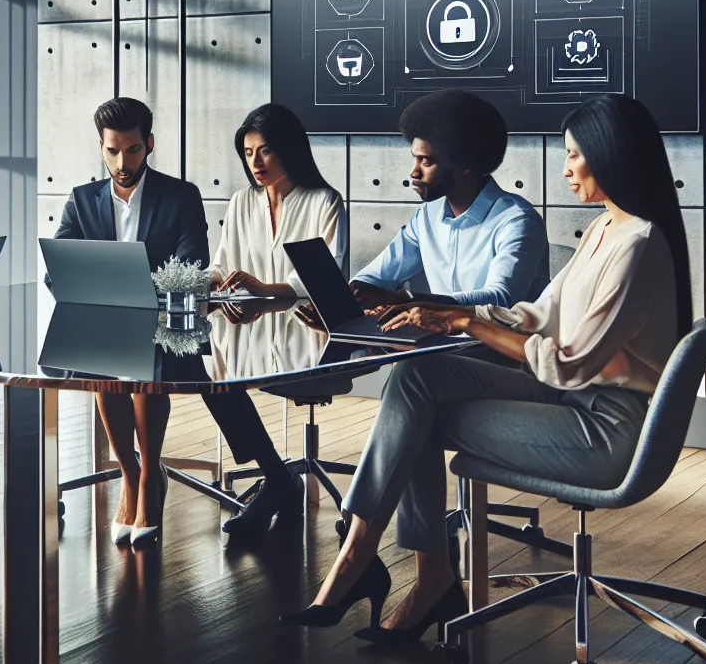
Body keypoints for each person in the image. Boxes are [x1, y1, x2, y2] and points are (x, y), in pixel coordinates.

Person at [283, 95, 692, 644]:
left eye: (574, 156)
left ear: (611, 157)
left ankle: (379, 563)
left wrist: (464, 324)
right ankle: (393, 564)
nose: (565, 168)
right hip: (571, 401)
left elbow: (566, 363)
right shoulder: (604, 231)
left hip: (601, 428)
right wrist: (458, 313)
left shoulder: (636, 244)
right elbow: (537, 313)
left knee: (416, 408)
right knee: (414, 380)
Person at [53, 96, 273, 545]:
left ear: (148, 144)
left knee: (145, 359)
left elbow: (193, 264)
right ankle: (131, 473)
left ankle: (151, 474)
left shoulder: (180, 196)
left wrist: (141, 292)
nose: (122, 161)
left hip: (167, 322)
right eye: (112, 151)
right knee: (99, 362)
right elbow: (57, 267)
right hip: (107, 321)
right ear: (101, 147)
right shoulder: (81, 200)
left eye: (132, 149)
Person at [208, 103, 345, 536]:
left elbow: (324, 279)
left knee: (222, 379)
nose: (256, 162)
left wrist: (263, 288)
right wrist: (197, 282)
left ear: (290, 149)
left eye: (265, 150)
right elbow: (221, 264)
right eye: (248, 153)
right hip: (245, 329)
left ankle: (276, 481)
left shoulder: (323, 201)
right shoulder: (240, 202)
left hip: (307, 332)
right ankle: (277, 475)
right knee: (207, 373)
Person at [348, 90, 549, 324]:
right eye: (415, 159)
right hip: (438, 346)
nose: (414, 172)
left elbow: (499, 298)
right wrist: (356, 292)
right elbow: (375, 278)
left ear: (465, 165)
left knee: (404, 363)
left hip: (501, 351)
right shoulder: (426, 216)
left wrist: (411, 300)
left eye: (427, 161)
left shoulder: (517, 221)